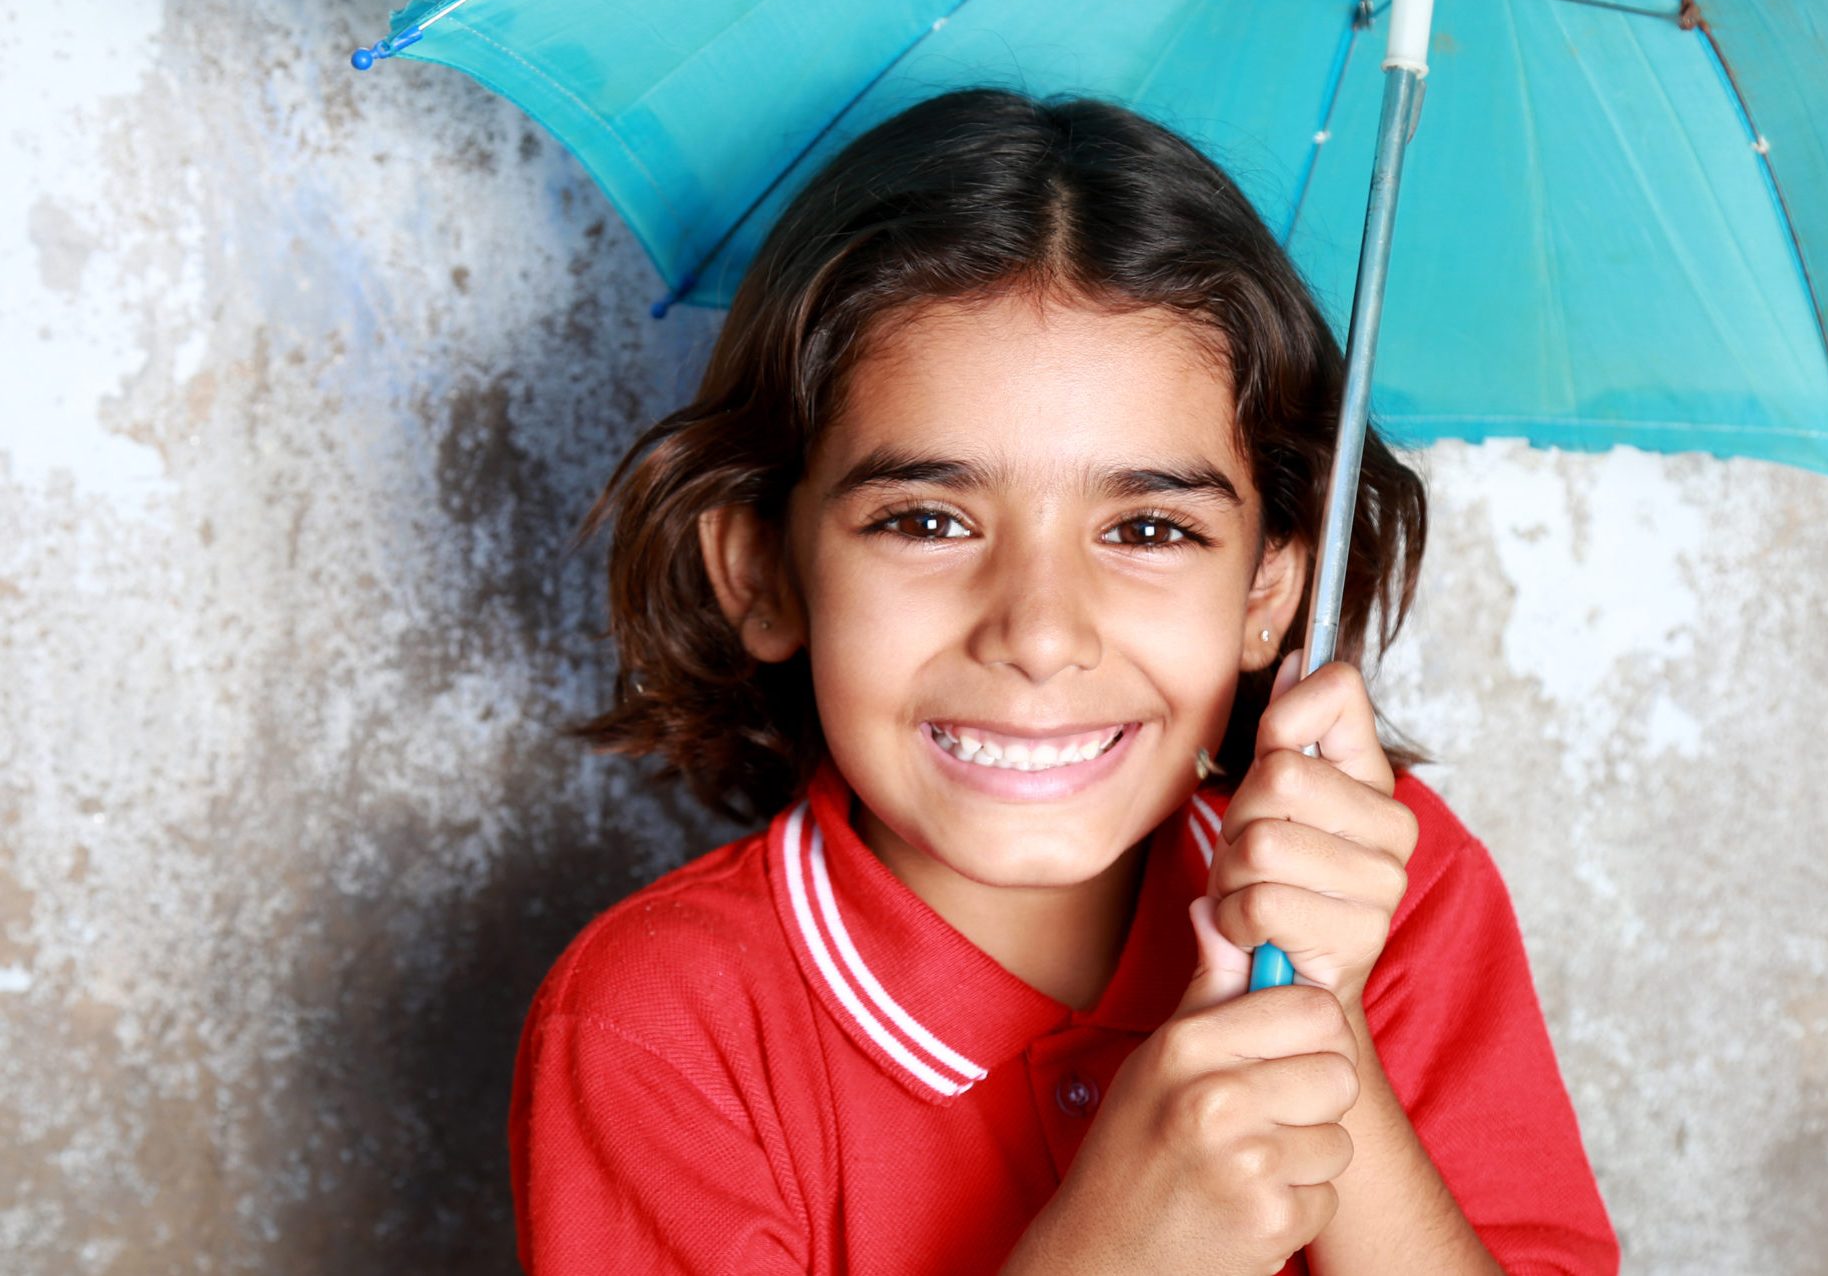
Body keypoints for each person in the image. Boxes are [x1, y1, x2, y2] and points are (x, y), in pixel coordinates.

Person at [508, 87, 1617, 1275]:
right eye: (928, 520)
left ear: (1267, 589)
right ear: (763, 572)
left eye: (1147, 531)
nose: (1039, 634)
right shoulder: (656, 1028)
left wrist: (1328, 1034)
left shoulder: (1382, 885)